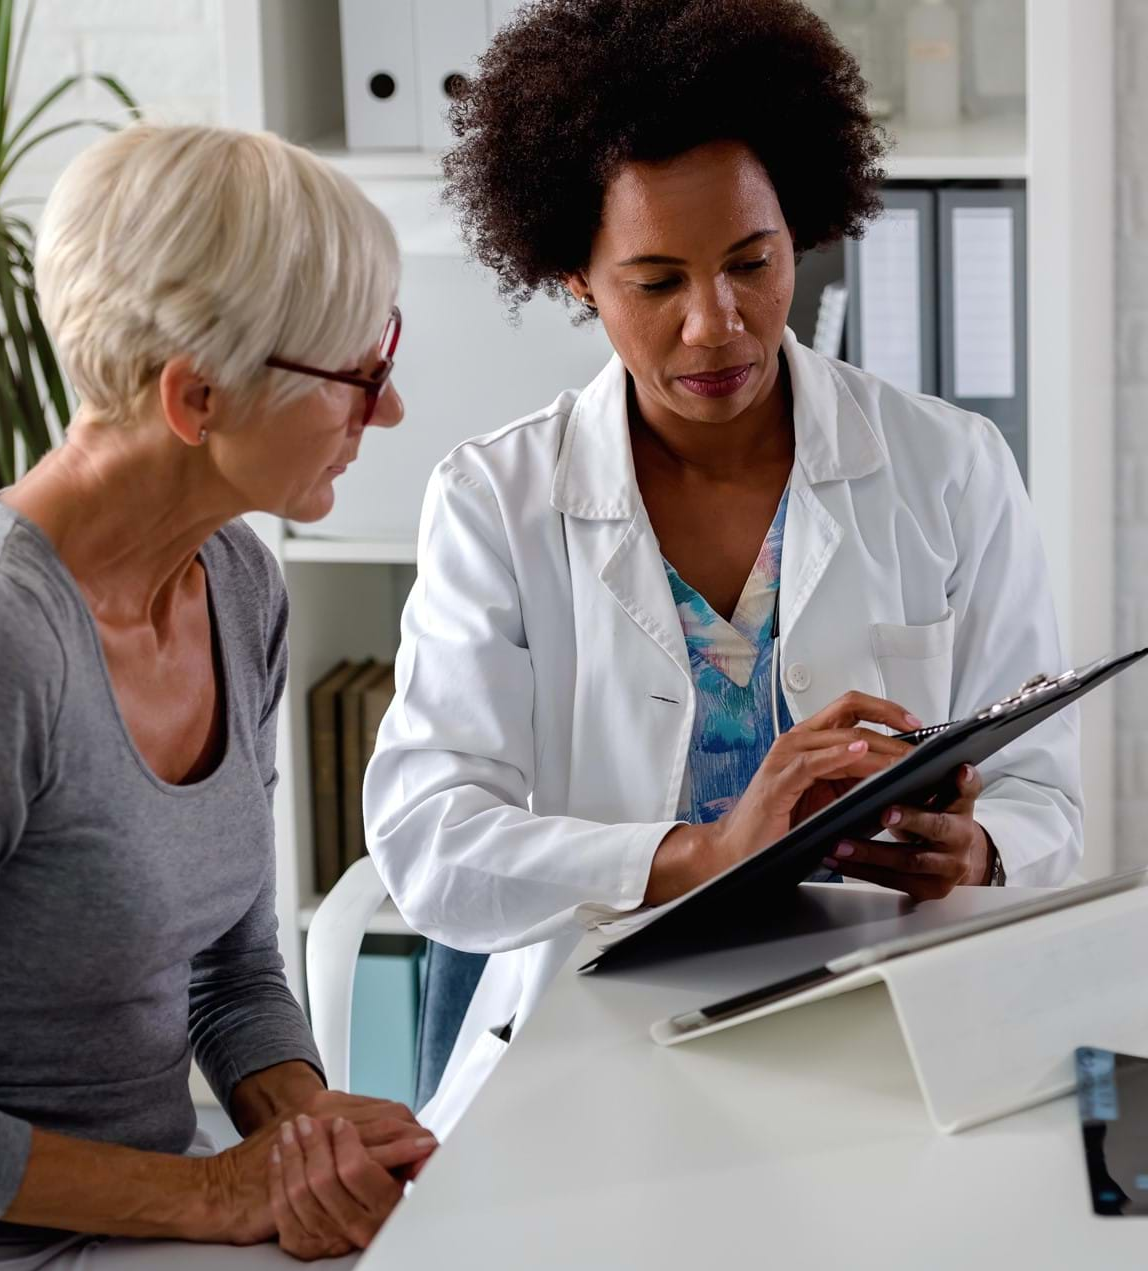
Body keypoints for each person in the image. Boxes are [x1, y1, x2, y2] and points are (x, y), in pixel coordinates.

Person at [364, 0, 1082, 1135]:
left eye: (752, 261)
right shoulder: (494, 502)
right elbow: (430, 844)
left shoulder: (948, 466)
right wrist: (700, 851)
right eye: (655, 282)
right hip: (590, 1054)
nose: (717, 324)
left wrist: (980, 846)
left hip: (892, 1036)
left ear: (799, 224)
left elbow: (1047, 792)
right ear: (572, 276)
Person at [0, 122, 434, 1271]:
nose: (386, 412)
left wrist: (300, 1134)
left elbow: (229, 968)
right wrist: (215, 1192)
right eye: (357, 373)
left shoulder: (235, 584)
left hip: (139, 1220)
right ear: (196, 399)